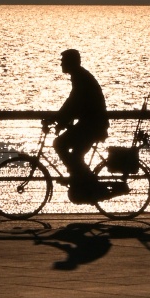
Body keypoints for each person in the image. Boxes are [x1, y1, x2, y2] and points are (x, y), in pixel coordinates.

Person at [44, 49, 109, 202]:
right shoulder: (80, 76)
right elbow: (73, 104)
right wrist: (61, 120)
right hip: (92, 123)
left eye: (63, 61)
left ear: (71, 62)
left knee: (60, 145)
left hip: (92, 125)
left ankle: (88, 183)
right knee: (73, 153)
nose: (61, 64)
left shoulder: (80, 78)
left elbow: (74, 103)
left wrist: (58, 119)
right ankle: (81, 180)